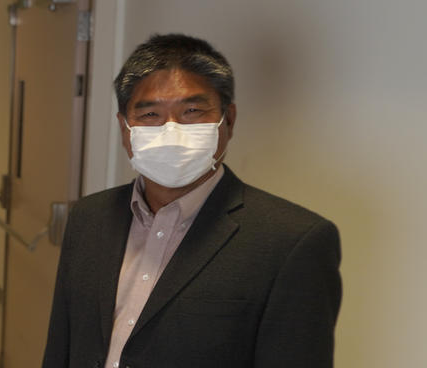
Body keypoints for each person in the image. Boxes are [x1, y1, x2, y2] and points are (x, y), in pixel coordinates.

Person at [42, 34, 341, 368]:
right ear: (125, 129)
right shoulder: (89, 217)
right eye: (150, 114)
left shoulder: (293, 242)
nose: (171, 131)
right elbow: (61, 348)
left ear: (228, 120)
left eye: (192, 111)